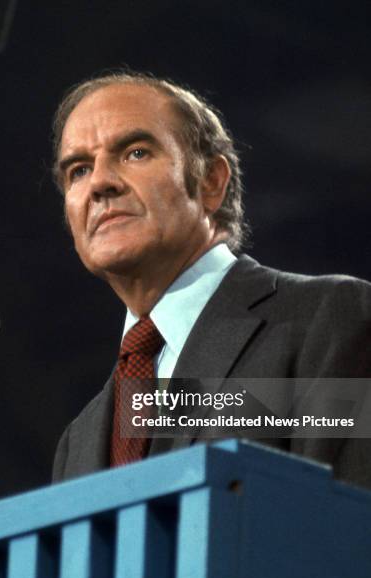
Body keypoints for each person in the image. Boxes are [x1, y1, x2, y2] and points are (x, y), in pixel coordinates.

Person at [51, 71, 371, 488]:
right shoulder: (80, 438)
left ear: (210, 181)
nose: (99, 183)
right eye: (78, 170)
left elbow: (351, 518)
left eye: (135, 152)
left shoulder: (327, 319)